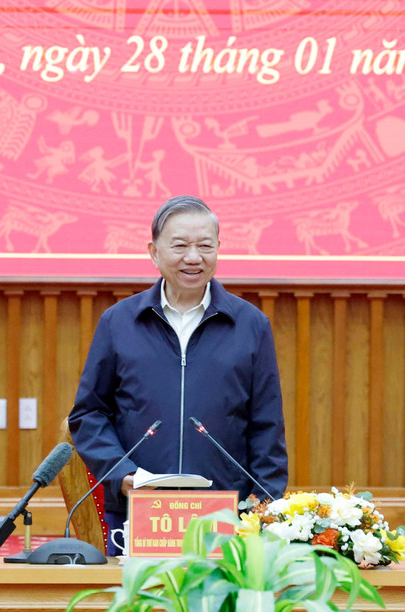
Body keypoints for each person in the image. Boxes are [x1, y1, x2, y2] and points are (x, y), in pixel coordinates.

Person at [68, 195, 288, 555]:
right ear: (154, 252)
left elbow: (267, 426)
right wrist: (123, 474)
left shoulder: (251, 325)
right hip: (141, 511)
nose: (193, 257)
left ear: (219, 249)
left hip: (225, 514)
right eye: (180, 245)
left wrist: (262, 509)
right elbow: (89, 414)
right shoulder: (119, 322)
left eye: (205, 246)